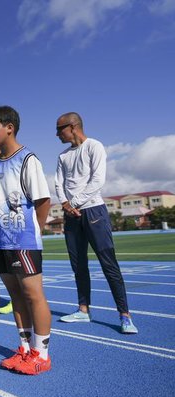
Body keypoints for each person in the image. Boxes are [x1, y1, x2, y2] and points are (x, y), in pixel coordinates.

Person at [54, 112, 138, 334]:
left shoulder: (95, 146)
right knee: (78, 265)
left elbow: (98, 180)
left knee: (108, 263)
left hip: (94, 212)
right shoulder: (63, 157)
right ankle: (83, 310)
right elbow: (58, 184)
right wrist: (65, 204)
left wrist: (75, 203)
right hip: (71, 216)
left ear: (72, 127)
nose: (56, 134)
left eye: (59, 129)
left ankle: (125, 315)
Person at [0, 106, 52, 375]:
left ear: (10, 127)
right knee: (15, 296)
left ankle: (42, 354)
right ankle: (24, 349)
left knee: (33, 295)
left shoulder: (27, 159)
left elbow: (43, 201)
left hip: (22, 241)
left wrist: (33, 231)